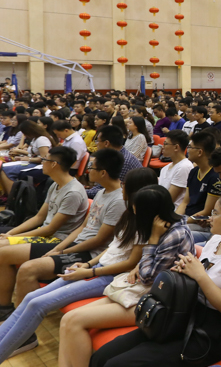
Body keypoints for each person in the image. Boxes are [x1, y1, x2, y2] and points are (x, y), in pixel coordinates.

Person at [0, 168, 157, 360]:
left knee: (38, 303)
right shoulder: (129, 213)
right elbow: (113, 248)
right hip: (95, 267)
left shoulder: (145, 222)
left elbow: (129, 263)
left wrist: (90, 272)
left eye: (125, 184)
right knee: (31, 298)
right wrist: (88, 265)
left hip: (107, 276)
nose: (121, 187)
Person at [90, 191, 221, 367]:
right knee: (102, 356)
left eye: (215, 213)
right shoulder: (216, 240)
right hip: (183, 314)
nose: (210, 217)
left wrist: (199, 274)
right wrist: (185, 269)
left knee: (118, 364)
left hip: (210, 333)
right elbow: (199, 273)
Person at [59, 185, 194, 367]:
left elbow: (148, 277)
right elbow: (146, 268)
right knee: (68, 319)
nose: (134, 215)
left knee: (75, 322)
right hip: (140, 290)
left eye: (137, 212)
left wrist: (152, 242)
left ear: (150, 213)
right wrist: (140, 264)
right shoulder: (164, 226)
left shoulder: (173, 234)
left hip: (156, 301)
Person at [0, 146, 87, 318]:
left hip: (58, 240)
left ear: (54, 164)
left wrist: (14, 236)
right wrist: (11, 234)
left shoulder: (73, 192)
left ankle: (5, 307)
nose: (42, 162)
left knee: (3, 252)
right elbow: (39, 217)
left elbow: (51, 229)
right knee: (2, 243)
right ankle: (4, 306)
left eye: (45, 160)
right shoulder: (56, 185)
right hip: (46, 234)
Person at [184, 131, 221, 242]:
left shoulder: (215, 177)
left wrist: (181, 222)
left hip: (201, 224)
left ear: (200, 152)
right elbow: (185, 202)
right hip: (187, 219)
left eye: (190, 147)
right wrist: (175, 218)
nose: (187, 150)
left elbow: (206, 211)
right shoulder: (193, 171)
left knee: (175, 233)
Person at [158, 130, 193, 212]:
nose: (162, 147)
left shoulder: (184, 167)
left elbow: (169, 200)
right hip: (161, 208)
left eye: (165, 144)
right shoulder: (165, 168)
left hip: (172, 212)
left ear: (176, 147)